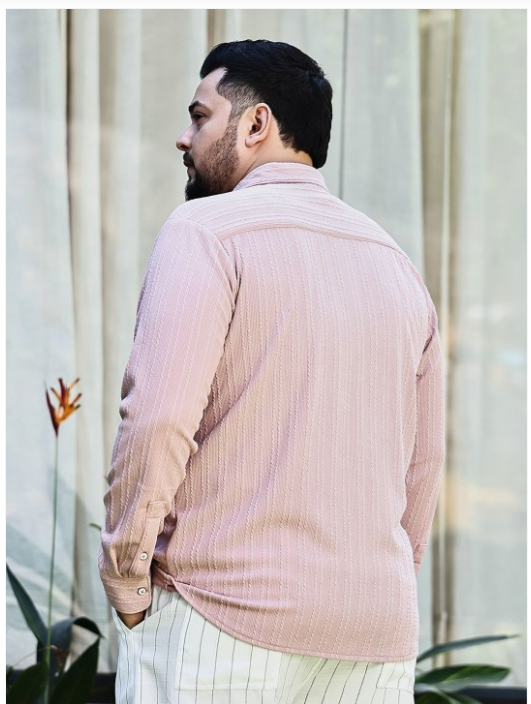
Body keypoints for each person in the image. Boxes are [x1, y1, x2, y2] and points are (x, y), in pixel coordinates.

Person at [99, 39, 446, 704]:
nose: (184, 138)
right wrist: (384, 586)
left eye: (199, 116)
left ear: (256, 123)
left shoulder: (206, 231)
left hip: (218, 618)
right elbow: (423, 464)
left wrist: (127, 576)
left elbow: (159, 419)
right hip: (371, 638)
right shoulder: (396, 264)